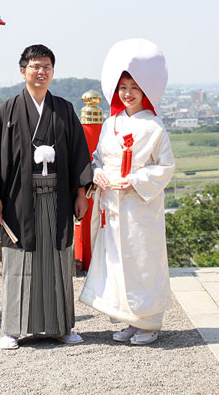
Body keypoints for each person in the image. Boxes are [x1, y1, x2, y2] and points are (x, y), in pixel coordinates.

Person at [0, 44, 93, 350]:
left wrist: (81, 194)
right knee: (18, 261)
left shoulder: (64, 110)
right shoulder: (8, 111)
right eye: (35, 67)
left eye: (47, 67)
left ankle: (62, 327)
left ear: (53, 71)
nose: (41, 72)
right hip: (18, 200)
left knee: (58, 260)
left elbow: (79, 154)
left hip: (57, 197)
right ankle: (13, 328)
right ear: (22, 70)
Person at [79, 38, 174, 345]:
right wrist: (99, 175)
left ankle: (149, 322)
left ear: (144, 90)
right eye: (123, 88)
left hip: (140, 206)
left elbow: (166, 166)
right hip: (113, 206)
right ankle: (128, 319)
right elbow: (97, 160)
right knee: (116, 261)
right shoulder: (110, 124)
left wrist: (135, 180)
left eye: (134, 87)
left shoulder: (155, 128)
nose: (128, 94)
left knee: (143, 260)